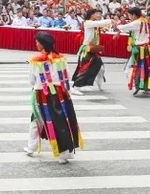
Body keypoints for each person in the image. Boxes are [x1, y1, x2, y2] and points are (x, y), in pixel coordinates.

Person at [25, 32, 83, 164]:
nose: (36, 44)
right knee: (60, 122)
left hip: (42, 95)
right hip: (60, 94)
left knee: (38, 120)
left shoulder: (35, 60)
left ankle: (33, 148)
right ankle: (61, 153)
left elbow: (32, 80)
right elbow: (66, 76)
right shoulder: (61, 59)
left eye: (37, 42)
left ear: (42, 44)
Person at [116, 7, 150, 96]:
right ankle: (147, 87)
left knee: (128, 68)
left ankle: (135, 84)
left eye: (129, 15)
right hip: (146, 48)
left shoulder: (137, 22)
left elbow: (123, 27)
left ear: (134, 15)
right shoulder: (145, 21)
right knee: (147, 68)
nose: (129, 17)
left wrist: (116, 24)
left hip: (139, 48)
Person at [71, 9, 113, 94]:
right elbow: (99, 23)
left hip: (93, 49)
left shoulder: (94, 24)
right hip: (87, 49)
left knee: (101, 68)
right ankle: (75, 87)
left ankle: (99, 83)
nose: (98, 15)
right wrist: (110, 20)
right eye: (96, 14)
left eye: (99, 13)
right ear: (91, 15)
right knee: (84, 69)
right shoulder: (88, 23)